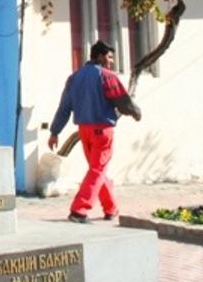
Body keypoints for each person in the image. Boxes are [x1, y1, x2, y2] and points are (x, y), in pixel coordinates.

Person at [47, 41, 142, 223]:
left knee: (96, 170)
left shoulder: (74, 78)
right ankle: (79, 210)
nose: (111, 61)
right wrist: (135, 112)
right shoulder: (107, 76)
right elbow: (123, 102)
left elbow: (64, 107)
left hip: (84, 131)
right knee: (98, 170)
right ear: (99, 56)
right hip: (102, 130)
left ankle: (111, 208)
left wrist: (55, 131)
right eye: (109, 57)